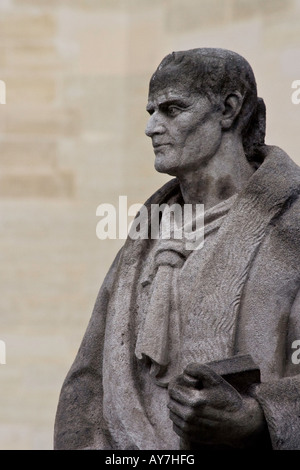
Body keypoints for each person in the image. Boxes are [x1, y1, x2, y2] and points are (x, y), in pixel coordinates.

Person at [54, 48, 300, 450]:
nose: (152, 127)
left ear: (229, 109)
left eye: (172, 109)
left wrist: (258, 416)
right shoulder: (144, 238)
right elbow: (87, 384)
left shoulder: (292, 225)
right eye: (151, 111)